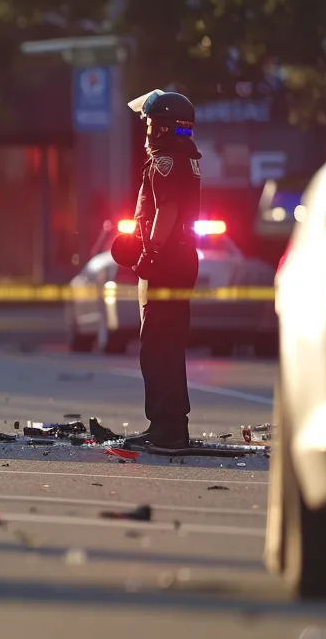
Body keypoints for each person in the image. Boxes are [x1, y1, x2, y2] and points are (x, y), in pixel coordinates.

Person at [121, 89, 202, 452]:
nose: (147, 131)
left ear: (162, 128)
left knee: (157, 346)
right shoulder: (187, 158)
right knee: (170, 345)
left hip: (167, 261)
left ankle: (166, 431)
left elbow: (166, 209)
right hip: (183, 259)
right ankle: (172, 426)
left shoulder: (166, 160)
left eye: (150, 123)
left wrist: (150, 252)